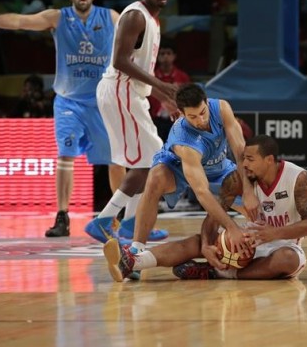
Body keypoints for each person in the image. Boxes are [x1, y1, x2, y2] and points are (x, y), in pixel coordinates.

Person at [0, 0, 126, 237]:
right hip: (68, 102)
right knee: (65, 156)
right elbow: (19, 21)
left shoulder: (111, 18)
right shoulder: (58, 17)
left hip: (101, 101)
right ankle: (62, 217)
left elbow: (136, 43)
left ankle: (118, 215)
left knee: (116, 160)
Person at [103, 134, 307, 281]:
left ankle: (220, 273)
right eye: (243, 159)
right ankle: (133, 262)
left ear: (269, 160)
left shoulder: (297, 177)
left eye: (250, 160)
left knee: (287, 260)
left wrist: (274, 233)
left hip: (284, 245)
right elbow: (214, 215)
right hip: (246, 240)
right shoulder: (238, 180)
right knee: (197, 242)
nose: (244, 165)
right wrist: (207, 244)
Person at [107, 82, 261, 264]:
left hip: (218, 168)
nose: (200, 120)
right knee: (155, 178)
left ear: (206, 102)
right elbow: (202, 192)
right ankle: (136, 250)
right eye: (192, 117)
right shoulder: (184, 140)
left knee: (261, 214)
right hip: (178, 168)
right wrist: (232, 227)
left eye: (203, 112)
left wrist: (249, 190)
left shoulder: (221, 108)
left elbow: (240, 150)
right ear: (181, 114)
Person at [85, 0, 178, 245]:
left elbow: (142, 67)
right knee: (151, 160)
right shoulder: (135, 16)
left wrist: (163, 97)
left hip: (129, 93)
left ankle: (130, 225)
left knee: (148, 161)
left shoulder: (153, 19)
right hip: (120, 90)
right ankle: (104, 221)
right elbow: (120, 62)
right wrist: (162, 87)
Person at [148, 37, 191, 142]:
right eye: (162, 54)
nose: (166, 57)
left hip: (177, 120)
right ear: (157, 56)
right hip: (156, 121)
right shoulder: (151, 77)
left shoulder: (183, 77)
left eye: (168, 53)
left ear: (174, 56)